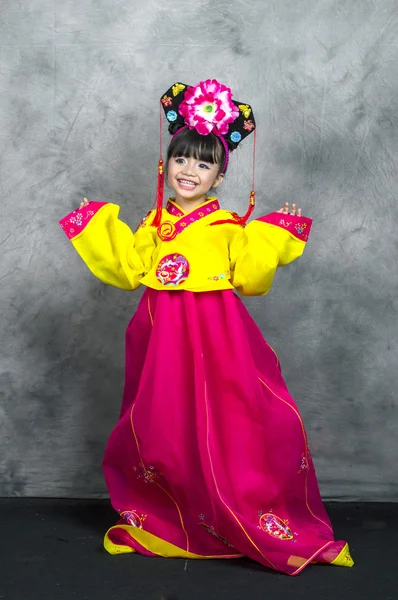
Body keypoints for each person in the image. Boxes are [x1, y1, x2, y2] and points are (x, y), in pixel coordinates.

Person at [59, 79, 354, 576]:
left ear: (219, 178)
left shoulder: (230, 228)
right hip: (162, 331)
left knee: (229, 415)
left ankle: (233, 506)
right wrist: (97, 224)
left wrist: (274, 235)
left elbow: (250, 277)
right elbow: (130, 268)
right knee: (163, 417)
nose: (189, 171)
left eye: (203, 164)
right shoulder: (156, 223)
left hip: (216, 334)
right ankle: (175, 509)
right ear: (165, 165)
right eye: (181, 160)